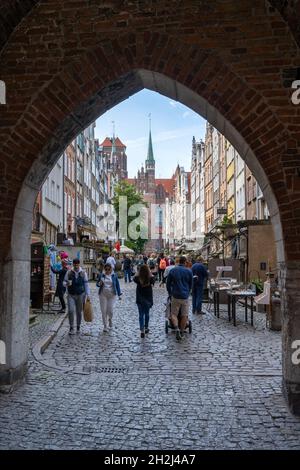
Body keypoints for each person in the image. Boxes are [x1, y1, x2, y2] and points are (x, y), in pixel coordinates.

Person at [166, 256, 193, 340]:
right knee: (184, 315)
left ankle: (176, 328)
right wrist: (188, 292)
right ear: (185, 262)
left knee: (173, 314)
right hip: (185, 296)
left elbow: (168, 283)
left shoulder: (173, 270)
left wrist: (170, 293)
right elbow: (191, 284)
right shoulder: (189, 271)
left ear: (178, 262)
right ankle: (182, 331)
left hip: (175, 295)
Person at [63, 258, 90, 335]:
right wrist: (66, 283)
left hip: (80, 294)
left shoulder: (83, 273)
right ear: (73, 264)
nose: (76, 266)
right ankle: (71, 327)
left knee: (79, 311)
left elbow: (86, 284)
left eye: (77, 264)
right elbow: (63, 282)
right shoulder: (69, 272)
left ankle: (78, 326)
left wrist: (88, 295)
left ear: (79, 264)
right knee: (71, 311)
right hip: (71, 294)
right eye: (74, 264)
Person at [97, 263, 122, 332]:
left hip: (112, 295)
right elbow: (97, 284)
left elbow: (117, 285)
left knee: (110, 310)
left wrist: (119, 294)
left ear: (111, 269)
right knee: (103, 311)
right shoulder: (102, 275)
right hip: (103, 295)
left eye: (109, 269)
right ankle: (105, 326)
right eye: (106, 269)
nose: (107, 271)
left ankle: (110, 319)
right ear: (104, 269)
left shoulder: (114, 275)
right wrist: (100, 283)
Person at [134, 264, 155, 338]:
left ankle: (142, 330)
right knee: (147, 314)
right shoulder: (151, 278)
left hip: (140, 298)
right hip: (148, 298)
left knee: (141, 315)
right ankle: (146, 327)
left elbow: (134, 277)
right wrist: (149, 272)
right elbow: (153, 279)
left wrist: (138, 271)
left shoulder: (137, 278)